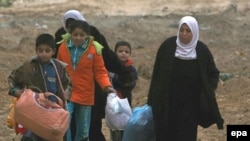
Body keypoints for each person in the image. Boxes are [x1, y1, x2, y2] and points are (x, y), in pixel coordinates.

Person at [147, 16, 224, 141]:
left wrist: (206, 92)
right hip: (167, 102)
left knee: (186, 135)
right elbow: (157, 75)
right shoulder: (167, 47)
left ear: (194, 32)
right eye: (181, 30)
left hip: (190, 105)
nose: (184, 34)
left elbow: (213, 74)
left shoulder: (201, 51)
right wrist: (151, 100)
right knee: (164, 134)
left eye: (188, 31)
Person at [54, 9, 123, 141]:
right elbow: (58, 68)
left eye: (82, 35)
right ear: (69, 33)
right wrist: (59, 89)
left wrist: (107, 86)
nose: (78, 38)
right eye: (75, 34)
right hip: (67, 94)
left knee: (84, 130)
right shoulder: (62, 47)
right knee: (65, 126)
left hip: (86, 95)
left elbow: (100, 71)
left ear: (87, 34)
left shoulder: (93, 49)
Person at [7, 33, 71, 141]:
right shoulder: (29, 66)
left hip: (53, 112)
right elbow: (12, 79)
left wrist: (67, 93)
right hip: (33, 111)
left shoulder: (59, 67)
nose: (43, 54)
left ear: (53, 51)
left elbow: (67, 84)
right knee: (30, 137)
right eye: (40, 50)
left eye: (47, 51)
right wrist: (16, 91)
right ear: (36, 50)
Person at [108, 40, 138, 141]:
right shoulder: (110, 67)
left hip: (125, 102)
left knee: (124, 127)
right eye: (120, 51)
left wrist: (115, 77)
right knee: (114, 128)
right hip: (112, 103)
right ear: (115, 53)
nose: (123, 53)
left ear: (130, 54)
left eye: (126, 51)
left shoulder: (131, 69)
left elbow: (129, 84)